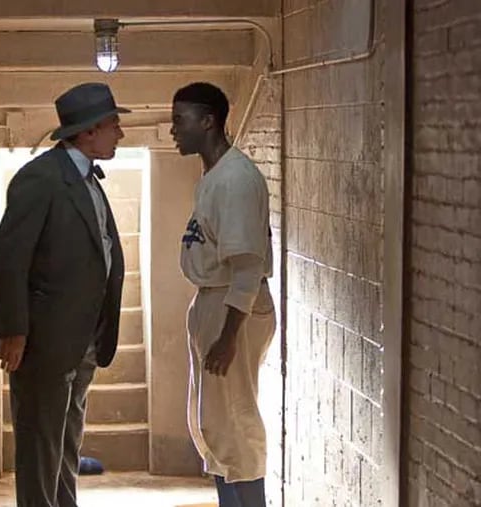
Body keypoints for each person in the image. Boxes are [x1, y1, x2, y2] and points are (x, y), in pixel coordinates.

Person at [0, 82, 128, 507]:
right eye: (113, 125)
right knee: (40, 446)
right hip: (45, 340)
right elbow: (8, 256)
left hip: (82, 339)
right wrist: (13, 329)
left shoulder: (85, 178)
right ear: (88, 132)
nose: (120, 134)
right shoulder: (42, 177)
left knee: (66, 443)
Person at [171, 82, 277, 507]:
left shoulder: (236, 179)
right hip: (213, 300)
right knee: (212, 423)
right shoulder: (214, 176)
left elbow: (247, 267)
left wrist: (229, 334)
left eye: (180, 120)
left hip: (234, 306)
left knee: (235, 421)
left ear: (208, 121)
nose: (173, 129)